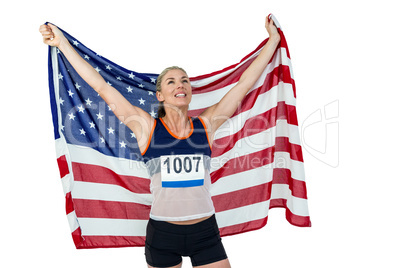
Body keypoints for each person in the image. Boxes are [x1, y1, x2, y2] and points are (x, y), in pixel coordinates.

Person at [39, 15, 280, 268]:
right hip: (163, 235)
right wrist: (63, 44)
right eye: (172, 81)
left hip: (205, 232)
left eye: (185, 80)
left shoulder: (206, 126)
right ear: (160, 94)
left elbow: (243, 85)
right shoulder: (145, 127)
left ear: (190, 91)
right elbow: (101, 86)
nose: (181, 85)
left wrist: (272, 40)